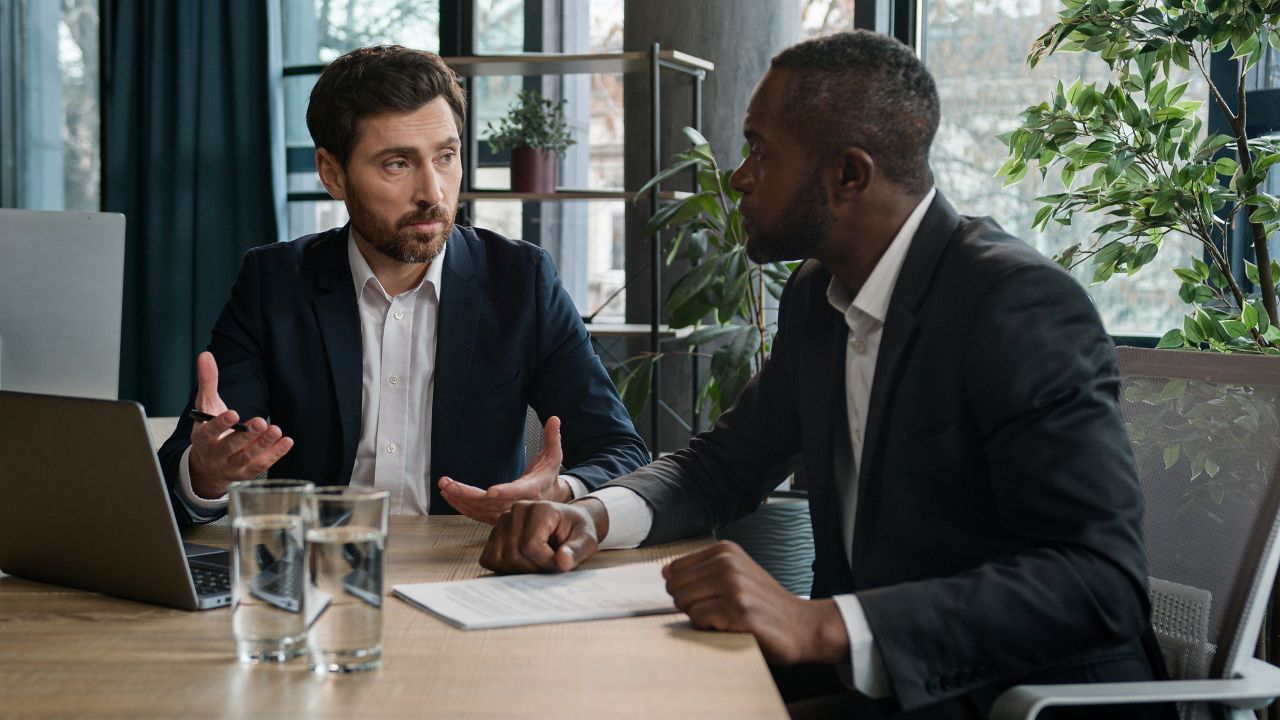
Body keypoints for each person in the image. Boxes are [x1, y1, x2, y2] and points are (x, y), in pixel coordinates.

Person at [478, 31, 1172, 719]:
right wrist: (592, 515)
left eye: (760, 151)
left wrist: (823, 625)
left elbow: (1099, 581)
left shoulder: (1015, 305)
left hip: (1018, 694)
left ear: (849, 174)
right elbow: (722, 467)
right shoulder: (820, 295)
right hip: (881, 682)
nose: (738, 176)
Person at [157, 45, 648, 525]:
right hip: (319, 567)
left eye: (446, 156)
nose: (432, 193)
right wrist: (207, 472)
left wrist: (560, 491)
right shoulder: (275, 282)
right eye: (398, 163)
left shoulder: (521, 280)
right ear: (333, 173)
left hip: (468, 568)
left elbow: (620, 449)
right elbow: (191, 460)